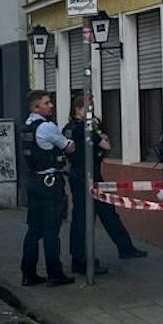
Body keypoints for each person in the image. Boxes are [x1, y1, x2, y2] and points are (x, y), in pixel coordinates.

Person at [65, 91, 142, 270]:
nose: (91, 110)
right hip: (88, 176)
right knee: (85, 218)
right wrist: (100, 136)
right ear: (78, 109)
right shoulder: (84, 128)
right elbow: (106, 145)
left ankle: (125, 248)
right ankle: (82, 260)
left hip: (81, 175)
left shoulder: (69, 128)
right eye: (88, 106)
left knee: (103, 213)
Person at [19, 91, 74, 287]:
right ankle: (55, 273)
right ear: (36, 107)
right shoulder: (47, 127)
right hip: (50, 183)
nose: (51, 106)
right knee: (51, 230)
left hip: (33, 182)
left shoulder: (27, 127)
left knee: (33, 230)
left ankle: (28, 273)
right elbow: (68, 147)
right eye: (47, 103)